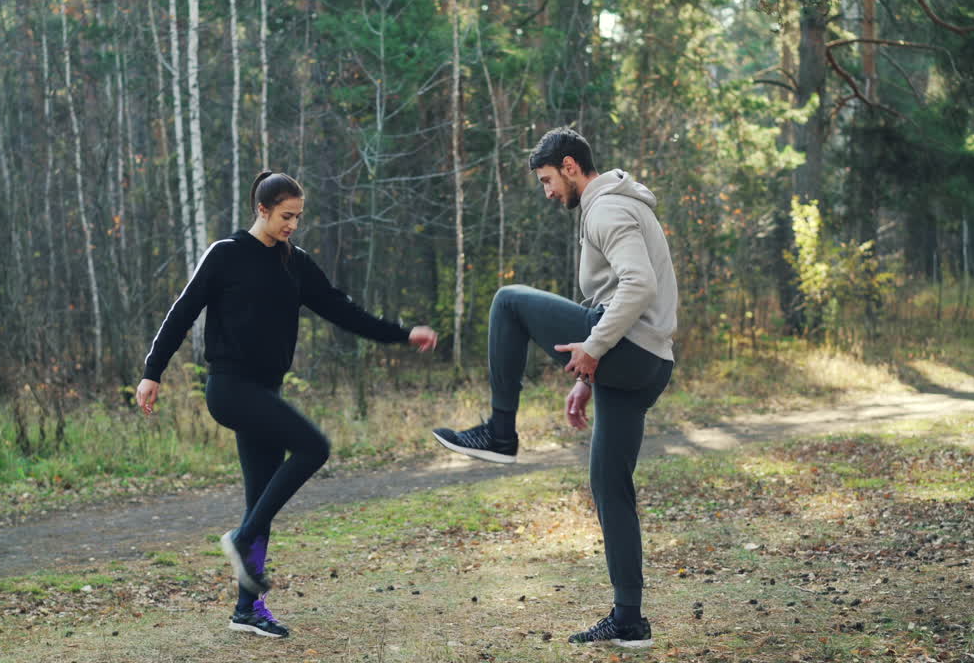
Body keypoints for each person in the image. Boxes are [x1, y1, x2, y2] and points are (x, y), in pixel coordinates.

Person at [135, 171, 438, 639]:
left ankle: (246, 608)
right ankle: (239, 541)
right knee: (314, 446)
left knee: (262, 499)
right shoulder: (227, 254)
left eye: (298, 217)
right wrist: (152, 371)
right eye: (285, 216)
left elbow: (343, 310)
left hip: (266, 391)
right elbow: (183, 310)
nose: (292, 225)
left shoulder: (296, 264)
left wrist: (402, 333)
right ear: (262, 209)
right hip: (231, 389)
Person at [432, 127, 676, 648]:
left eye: (546, 180)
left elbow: (639, 285)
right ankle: (629, 620)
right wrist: (590, 374)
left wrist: (593, 349)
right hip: (647, 362)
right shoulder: (613, 206)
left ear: (570, 166)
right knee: (611, 488)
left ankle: (501, 432)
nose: (546, 192)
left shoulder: (607, 208)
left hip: (632, 350)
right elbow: (623, 295)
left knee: (508, 300)